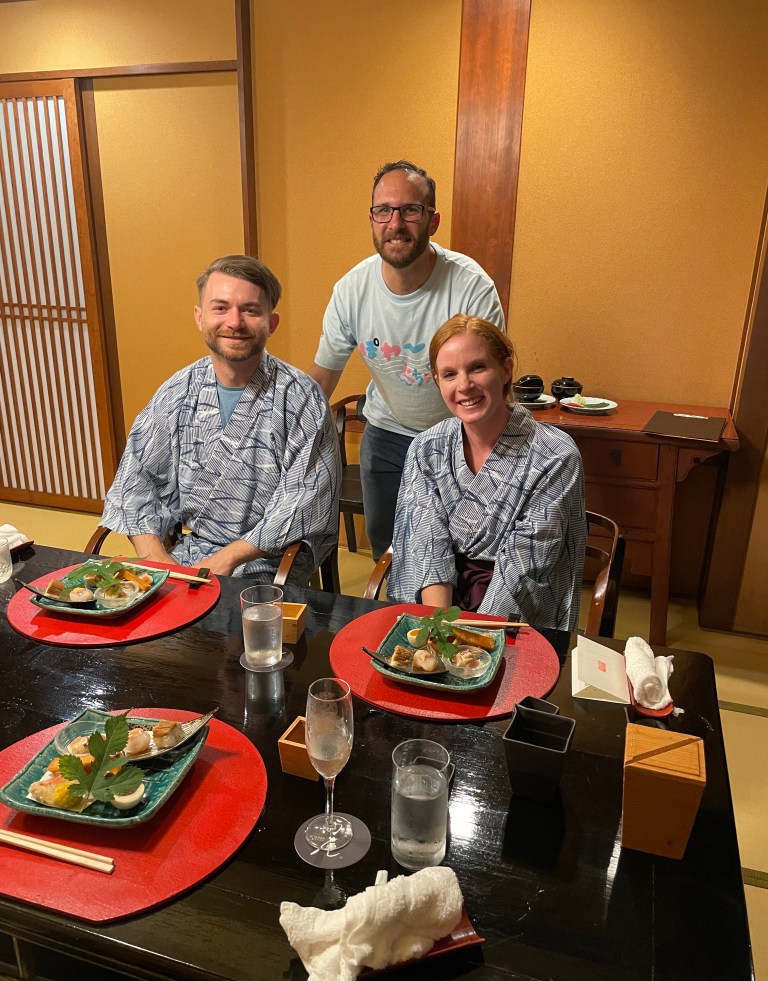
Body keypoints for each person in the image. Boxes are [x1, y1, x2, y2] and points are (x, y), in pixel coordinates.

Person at [100, 255, 340, 583]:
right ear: (200, 318)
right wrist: (158, 560)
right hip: (187, 556)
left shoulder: (301, 397)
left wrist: (228, 558)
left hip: (267, 562)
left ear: (271, 323)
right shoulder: (177, 390)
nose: (234, 322)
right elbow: (136, 481)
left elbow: (305, 500)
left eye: (250, 310)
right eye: (220, 308)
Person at [308, 159, 505, 560]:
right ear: (372, 219)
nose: (395, 223)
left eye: (410, 210)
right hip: (386, 435)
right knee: (389, 553)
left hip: (461, 436)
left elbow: (491, 383)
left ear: (433, 221)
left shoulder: (470, 286)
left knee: (460, 555)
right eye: (384, 210)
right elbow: (321, 381)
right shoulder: (351, 291)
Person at [388, 315, 586, 631]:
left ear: (506, 369)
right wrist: (439, 632)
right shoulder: (427, 448)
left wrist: (472, 640)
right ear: (437, 381)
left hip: (513, 616)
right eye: (449, 374)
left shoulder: (555, 455)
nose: (464, 385)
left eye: (478, 367)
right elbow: (425, 544)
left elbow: (524, 568)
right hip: (438, 607)